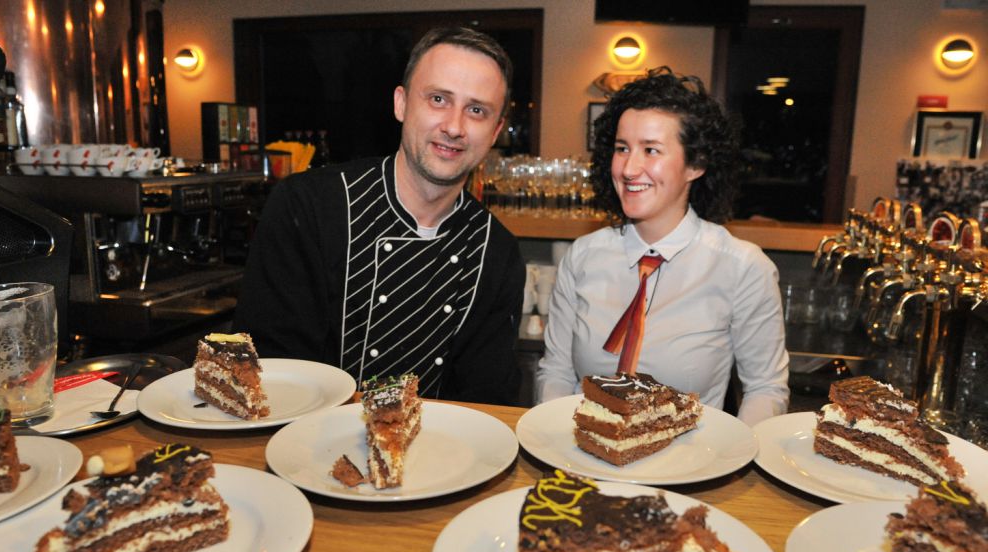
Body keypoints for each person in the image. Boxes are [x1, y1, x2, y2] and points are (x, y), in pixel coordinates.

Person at [235, 27, 524, 405]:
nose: (454, 127)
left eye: (476, 110)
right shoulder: (307, 208)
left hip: (438, 441)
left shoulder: (497, 251)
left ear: (496, 130)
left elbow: (487, 401)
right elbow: (271, 373)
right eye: (438, 99)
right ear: (401, 104)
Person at [536, 67, 789, 425]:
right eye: (622, 148)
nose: (629, 168)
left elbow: (765, 389)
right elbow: (557, 372)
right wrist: (552, 437)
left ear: (696, 164)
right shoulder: (582, 257)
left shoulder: (743, 268)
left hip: (693, 455)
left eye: (651, 150)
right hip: (586, 451)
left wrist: (737, 452)